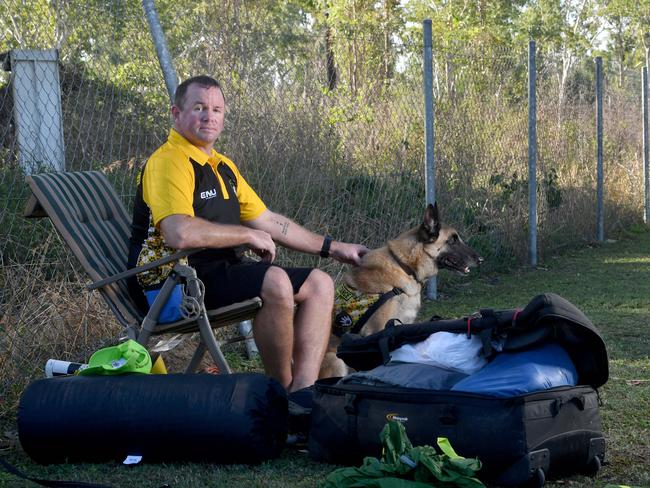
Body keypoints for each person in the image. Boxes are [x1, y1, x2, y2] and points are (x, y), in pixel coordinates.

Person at [128, 75, 367, 398]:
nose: (208, 116)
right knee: (276, 282)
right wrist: (247, 234)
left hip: (213, 273)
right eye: (198, 107)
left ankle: (303, 392)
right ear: (176, 113)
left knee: (319, 284)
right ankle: (280, 394)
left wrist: (333, 248)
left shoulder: (221, 165)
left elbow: (267, 220)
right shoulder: (168, 162)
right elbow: (178, 233)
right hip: (174, 285)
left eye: (216, 109)